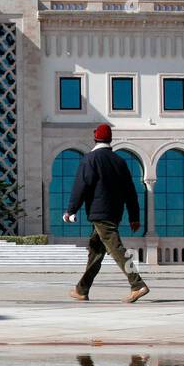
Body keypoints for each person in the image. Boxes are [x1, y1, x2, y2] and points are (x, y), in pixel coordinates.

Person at [63, 124, 149, 303]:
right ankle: (82, 289)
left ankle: (137, 284)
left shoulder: (90, 159)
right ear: (110, 140)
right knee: (95, 250)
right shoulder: (119, 161)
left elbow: (81, 186)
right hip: (115, 213)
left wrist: (71, 210)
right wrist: (134, 216)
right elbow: (130, 192)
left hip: (99, 213)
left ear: (95, 138)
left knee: (116, 249)